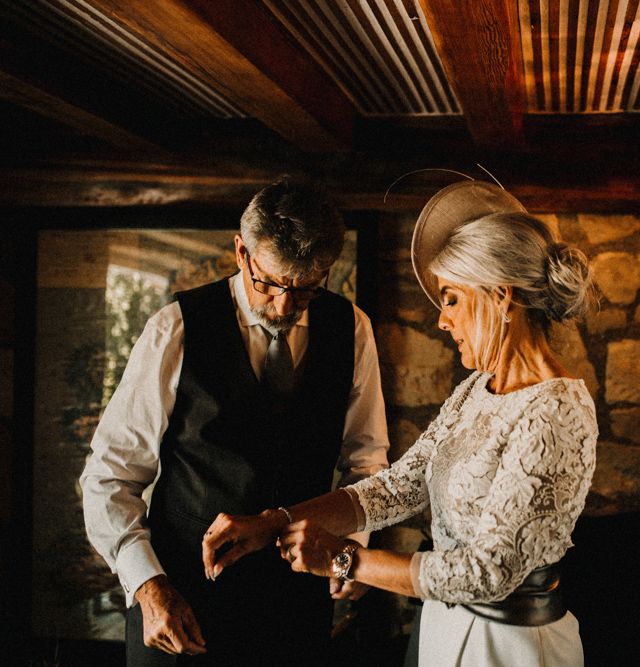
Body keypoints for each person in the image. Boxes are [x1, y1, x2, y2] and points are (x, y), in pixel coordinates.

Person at [201, 180, 599, 666]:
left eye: (451, 298)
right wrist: (275, 521)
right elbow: (400, 487)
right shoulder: (477, 388)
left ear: (500, 297)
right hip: (443, 629)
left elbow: (488, 572)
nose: (441, 321)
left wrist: (344, 560)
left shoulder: (558, 411)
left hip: (509, 647)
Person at [80, 175, 390, 665]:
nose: (285, 305)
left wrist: (350, 547)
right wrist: (146, 585)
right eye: (270, 283)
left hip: (296, 610)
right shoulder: (175, 328)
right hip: (181, 604)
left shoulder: (353, 329)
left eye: (307, 288)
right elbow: (110, 476)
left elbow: (367, 460)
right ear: (241, 252)